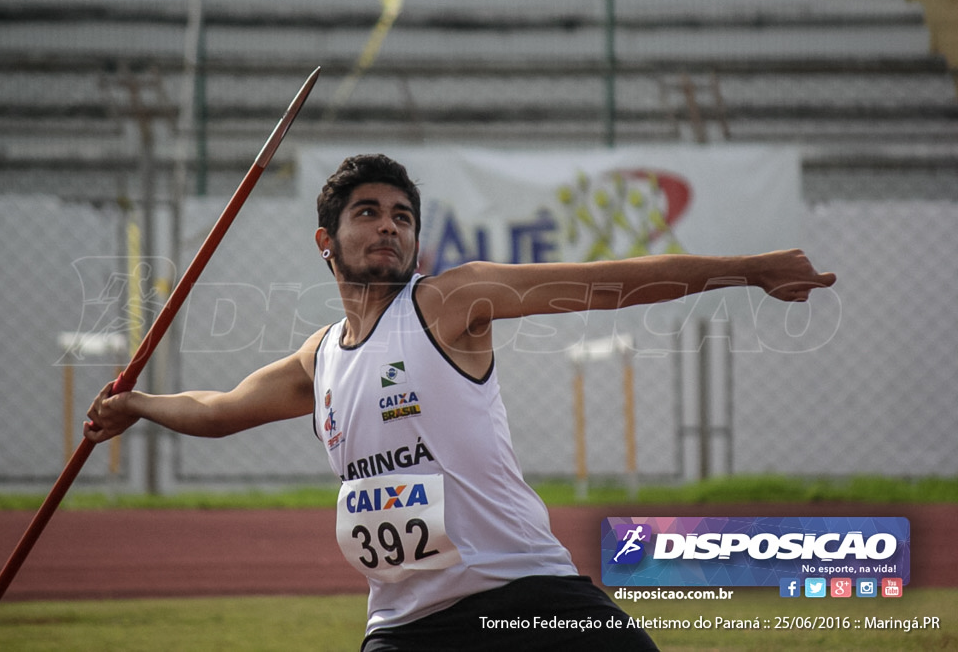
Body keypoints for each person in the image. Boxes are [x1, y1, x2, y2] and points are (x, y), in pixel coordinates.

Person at [85, 153, 837, 650]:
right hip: (406, 626)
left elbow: (610, 281)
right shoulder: (321, 358)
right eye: (368, 212)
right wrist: (140, 404)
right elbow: (220, 408)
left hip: (528, 595)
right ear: (327, 239)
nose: (388, 225)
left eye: (402, 216)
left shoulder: (448, 302)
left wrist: (748, 268)